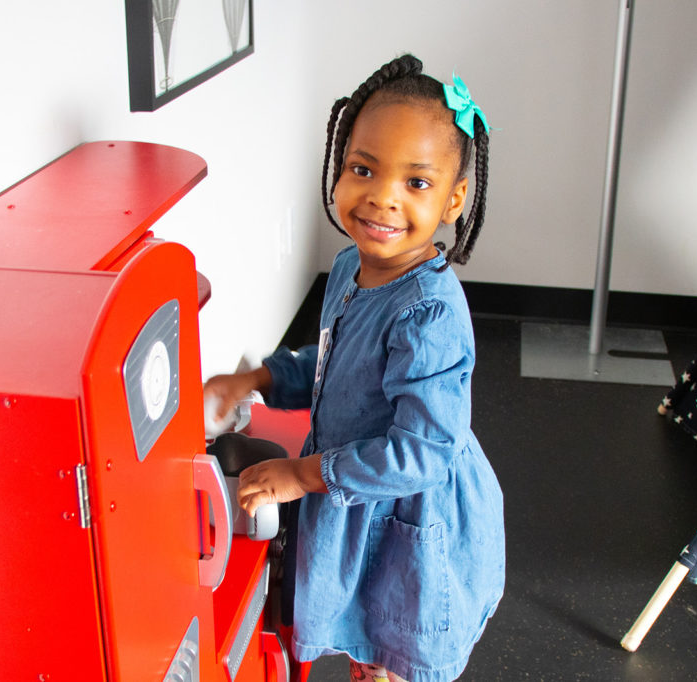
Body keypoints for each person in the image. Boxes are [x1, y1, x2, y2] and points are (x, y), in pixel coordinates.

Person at [203, 54, 504, 682]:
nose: (381, 197)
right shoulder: (349, 266)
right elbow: (340, 361)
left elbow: (421, 453)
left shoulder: (428, 314)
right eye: (362, 169)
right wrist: (260, 379)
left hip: (406, 508)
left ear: (455, 199)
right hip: (353, 486)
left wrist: (302, 473)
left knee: (392, 651)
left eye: (415, 183)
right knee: (368, 649)